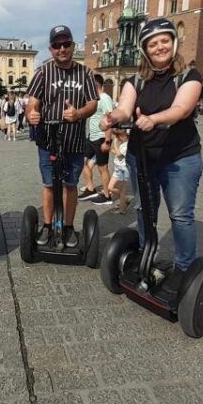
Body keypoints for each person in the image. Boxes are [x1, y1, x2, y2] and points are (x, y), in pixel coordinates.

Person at [99, 18, 203, 296]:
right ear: (145, 49)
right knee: (144, 210)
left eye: (164, 41)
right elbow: (125, 109)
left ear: (174, 43)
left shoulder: (189, 76)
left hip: (179, 158)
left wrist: (154, 119)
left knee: (180, 215)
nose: (159, 47)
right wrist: (112, 118)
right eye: (153, 44)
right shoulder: (136, 81)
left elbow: (181, 109)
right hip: (142, 156)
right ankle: (147, 258)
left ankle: (184, 270)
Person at [26, 25, 98, 248]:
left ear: (73, 46)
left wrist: (78, 114)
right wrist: (32, 113)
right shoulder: (43, 72)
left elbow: (93, 104)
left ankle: (67, 227)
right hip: (48, 140)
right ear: (51, 49)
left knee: (70, 185)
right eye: (57, 45)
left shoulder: (85, 73)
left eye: (66, 44)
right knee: (49, 185)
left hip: (74, 141)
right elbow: (32, 102)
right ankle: (48, 225)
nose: (62, 49)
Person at [79, 73, 114, 206]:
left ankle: (107, 196)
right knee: (82, 161)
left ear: (94, 85)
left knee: (102, 168)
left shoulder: (105, 98)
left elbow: (110, 120)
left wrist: (107, 141)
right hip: (91, 137)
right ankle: (90, 189)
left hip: (101, 137)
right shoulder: (93, 99)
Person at [107, 128, 130, 214]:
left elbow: (120, 155)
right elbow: (118, 153)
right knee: (110, 187)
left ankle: (122, 209)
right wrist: (110, 150)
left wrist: (115, 145)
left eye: (118, 136)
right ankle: (125, 199)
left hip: (124, 170)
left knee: (123, 190)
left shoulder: (127, 145)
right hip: (117, 169)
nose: (117, 138)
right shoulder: (123, 143)